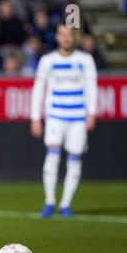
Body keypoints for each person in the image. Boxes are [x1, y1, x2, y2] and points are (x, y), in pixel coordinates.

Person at [30, 24, 98, 218]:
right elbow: (38, 88)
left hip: (78, 116)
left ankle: (66, 204)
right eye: (63, 35)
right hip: (55, 116)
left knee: (75, 159)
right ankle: (49, 201)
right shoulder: (47, 61)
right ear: (57, 37)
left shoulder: (85, 60)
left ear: (74, 37)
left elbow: (91, 87)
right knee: (52, 156)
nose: (67, 38)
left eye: (70, 35)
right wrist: (35, 117)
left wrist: (91, 113)